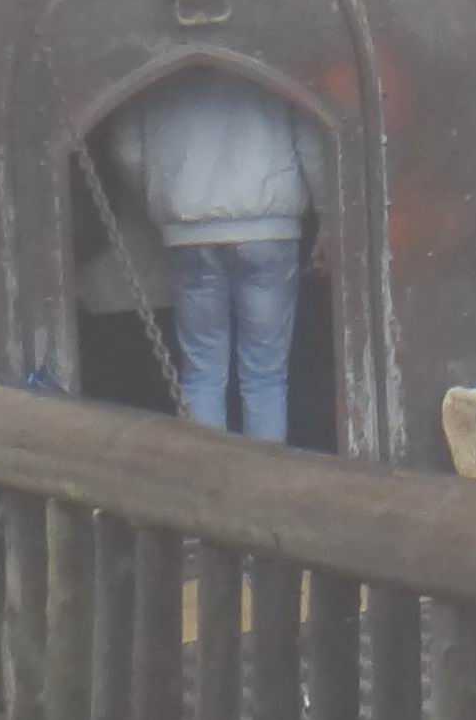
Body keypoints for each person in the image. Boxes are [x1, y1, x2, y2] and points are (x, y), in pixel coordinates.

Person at [103, 68, 320, 441]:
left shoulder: (154, 68)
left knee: (202, 372)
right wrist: (329, 214)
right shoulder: (275, 64)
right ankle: (267, 474)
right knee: (266, 377)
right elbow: (312, 145)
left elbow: (126, 148)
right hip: (269, 232)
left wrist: (160, 206)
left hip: (189, 233)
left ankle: (204, 471)